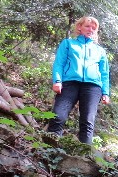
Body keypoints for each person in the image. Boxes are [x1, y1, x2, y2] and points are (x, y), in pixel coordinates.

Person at [48, 16, 111, 145]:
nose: (91, 29)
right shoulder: (68, 43)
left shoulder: (100, 51)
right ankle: (48, 150)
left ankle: (85, 156)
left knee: (87, 121)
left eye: (94, 28)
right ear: (79, 27)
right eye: (87, 26)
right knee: (58, 115)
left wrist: (105, 92)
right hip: (69, 83)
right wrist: (57, 81)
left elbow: (104, 73)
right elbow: (59, 63)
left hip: (93, 87)